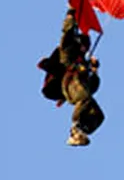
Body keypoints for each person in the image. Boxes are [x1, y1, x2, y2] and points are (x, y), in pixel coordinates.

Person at [37, 8, 105, 146]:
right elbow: (67, 34)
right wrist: (70, 16)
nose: (85, 49)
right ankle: (76, 126)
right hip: (68, 83)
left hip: (78, 88)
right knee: (85, 97)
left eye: (86, 47)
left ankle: (82, 132)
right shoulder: (68, 54)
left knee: (99, 116)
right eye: (83, 46)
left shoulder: (83, 64)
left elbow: (93, 86)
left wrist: (94, 70)